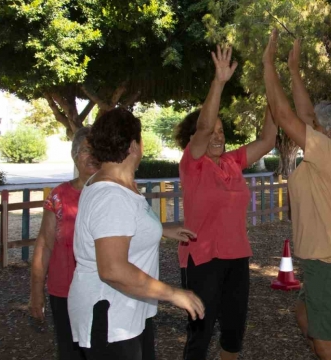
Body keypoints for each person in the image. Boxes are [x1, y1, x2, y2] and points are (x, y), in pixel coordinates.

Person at [68, 108, 205, 360]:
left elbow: (120, 228)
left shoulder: (118, 182)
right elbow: (112, 269)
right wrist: (174, 294)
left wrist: (160, 230)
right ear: (133, 146)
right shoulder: (111, 195)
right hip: (110, 318)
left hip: (128, 312)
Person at [263, 29, 331, 360]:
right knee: (303, 315)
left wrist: (268, 64)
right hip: (327, 259)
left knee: (325, 342)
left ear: (329, 132)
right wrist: (293, 70)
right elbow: (306, 116)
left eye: (318, 126)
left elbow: (285, 116)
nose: (312, 126)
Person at [174, 45, 277, 360]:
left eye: (222, 131)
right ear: (194, 139)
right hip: (202, 259)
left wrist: (273, 87)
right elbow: (203, 128)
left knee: (233, 334)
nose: (217, 136)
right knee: (200, 335)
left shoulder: (233, 161)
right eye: (211, 132)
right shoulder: (192, 164)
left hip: (237, 257)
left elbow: (268, 140)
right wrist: (218, 82)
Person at [29, 127, 99, 360]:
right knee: (70, 353)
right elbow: (45, 245)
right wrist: (36, 292)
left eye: (98, 150)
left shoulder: (113, 194)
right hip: (64, 292)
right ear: (74, 155)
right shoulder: (59, 196)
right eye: (86, 150)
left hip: (103, 292)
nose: (92, 156)